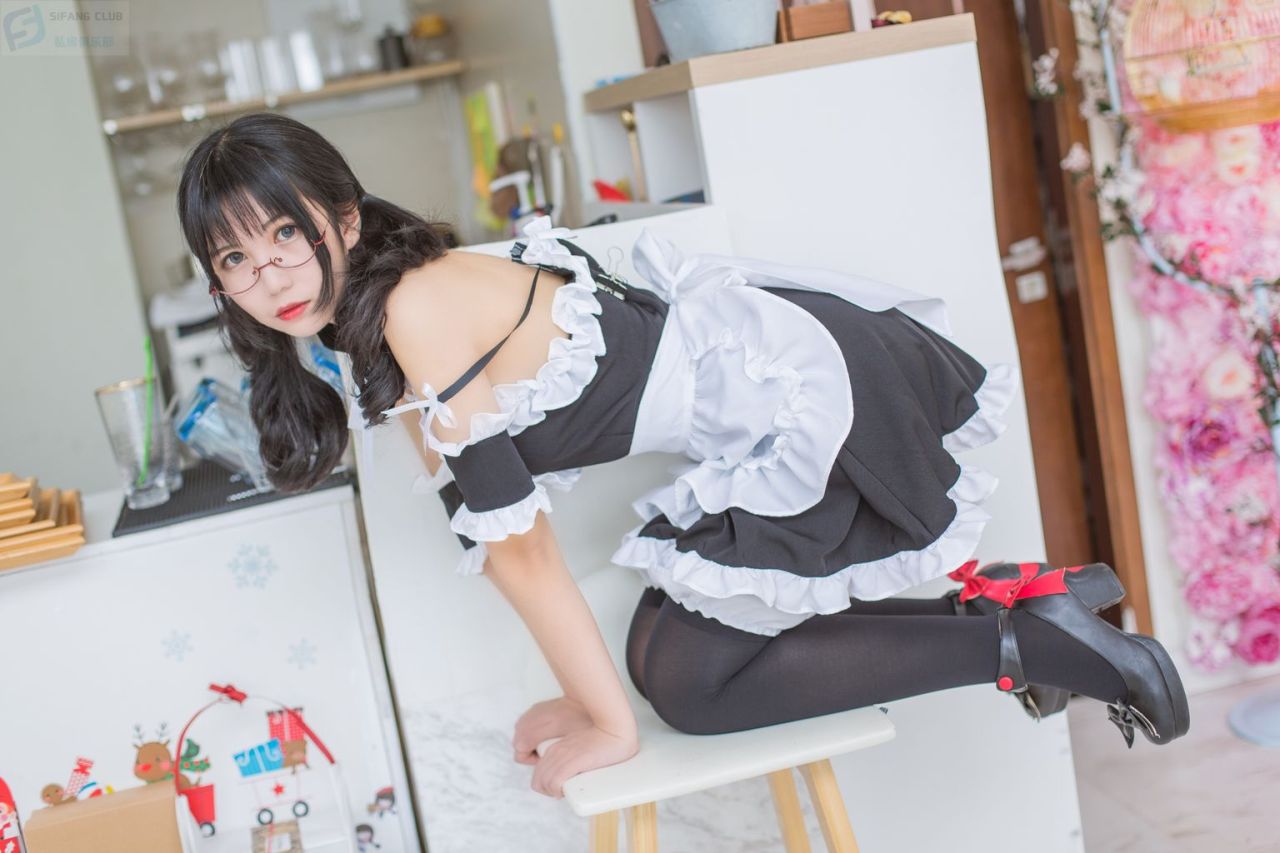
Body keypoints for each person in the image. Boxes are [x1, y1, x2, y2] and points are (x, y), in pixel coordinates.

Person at [177, 113, 1189, 800]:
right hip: (771, 397)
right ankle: (1026, 611)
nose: (271, 274)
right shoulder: (378, 324)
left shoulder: (413, 311)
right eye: (235, 258)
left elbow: (522, 552)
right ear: (218, 286)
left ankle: (1027, 642)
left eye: (285, 234)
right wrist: (589, 704)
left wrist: (606, 729)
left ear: (343, 218)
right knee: (662, 659)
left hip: (803, 396)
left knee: (695, 685)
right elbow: (495, 537)